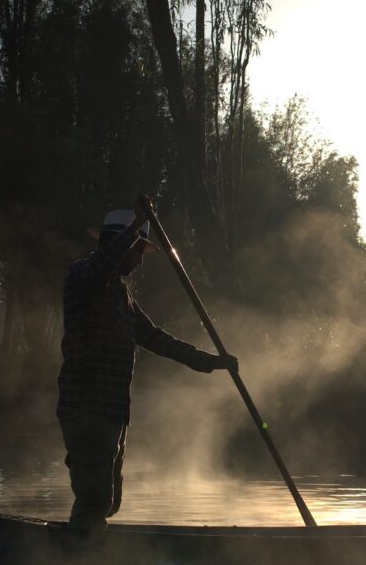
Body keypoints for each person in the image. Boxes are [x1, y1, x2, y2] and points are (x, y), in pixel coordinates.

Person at [57, 207, 236, 529]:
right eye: (138, 252)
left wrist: (207, 361)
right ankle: (74, 562)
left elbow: (154, 337)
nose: (140, 262)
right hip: (86, 407)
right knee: (94, 499)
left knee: (109, 502)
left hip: (112, 412)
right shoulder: (82, 276)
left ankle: (90, 550)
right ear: (122, 245)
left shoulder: (121, 297)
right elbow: (102, 264)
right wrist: (138, 224)